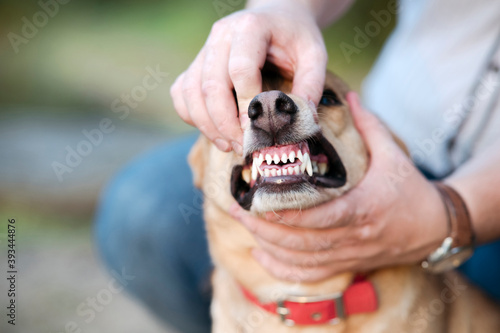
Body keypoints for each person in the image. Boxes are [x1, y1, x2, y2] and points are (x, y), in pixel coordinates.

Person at [95, 0, 500, 332]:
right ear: (200, 168)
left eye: (324, 98)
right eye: (243, 104)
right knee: (143, 205)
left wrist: (454, 214)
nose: (269, 109)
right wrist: (282, 10)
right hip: (403, 122)